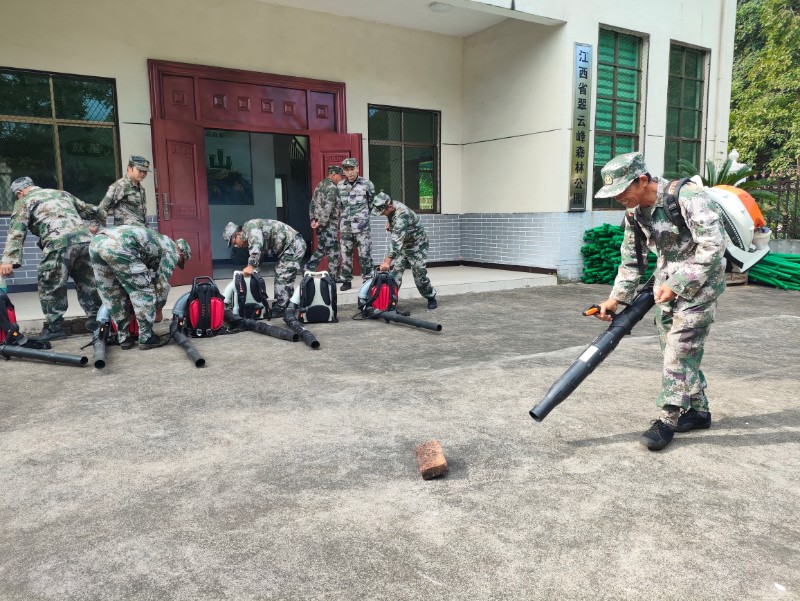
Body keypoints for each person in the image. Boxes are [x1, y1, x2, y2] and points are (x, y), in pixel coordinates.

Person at [592, 152, 727, 451]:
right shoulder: (634, 213)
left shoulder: (688, 197)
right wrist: (616, 299)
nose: (618, 199)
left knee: (678, 351)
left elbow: (714, 244)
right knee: (674, 348)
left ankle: (667, 420)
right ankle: (699, 410)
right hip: (664, 288)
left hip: (700, 289)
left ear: (642, 180)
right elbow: (631, 261)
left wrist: (678, 284)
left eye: (621, 191)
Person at [0, 176, 103, 341]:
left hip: (58, 243)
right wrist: (94, 228)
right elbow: (95, 211)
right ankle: (98, 324)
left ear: (19, 192)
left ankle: (55, 328)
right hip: (85, 241)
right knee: (89, 283)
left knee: (50, 283)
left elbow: (17, 231)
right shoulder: (62, 194)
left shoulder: (24, 200)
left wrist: (8, 261)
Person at [89, 226, 191, 350]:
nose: (177, 263)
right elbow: (162, 285)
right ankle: (147, 338)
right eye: (181, 261)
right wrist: (158, 310)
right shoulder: (171, 250)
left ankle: (124, 337)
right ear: (181, 253)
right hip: (121, 246)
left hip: (97, 242)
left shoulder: (159, 240)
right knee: (144, 291)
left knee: (112, 293)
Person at [222, 219, 306, 317]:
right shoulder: (250, 233)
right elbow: (260, 254)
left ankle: (281, 309)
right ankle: (288, 305)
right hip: (291, 245)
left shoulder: (250, 227)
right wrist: (254, 270)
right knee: (286, 276)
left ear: (238, 234)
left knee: (282, 273)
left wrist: (250, 266)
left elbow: (257, 247)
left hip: (294, 244)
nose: (236, 246)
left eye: (234, 242)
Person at [372, 192, 437, 310]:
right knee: (394, 276)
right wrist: (389, 222)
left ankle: (431, 296)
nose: (382, 214)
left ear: (389, 207)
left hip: (417, 246)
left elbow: (396, 242)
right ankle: (391, 301)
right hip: (403, 246)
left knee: (419, 278)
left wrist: (387, 262)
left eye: (383, 212)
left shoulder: (402, 215)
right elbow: (392, 219)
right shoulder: (392, 206)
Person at [338, 158, 375, 291]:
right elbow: (338, 206)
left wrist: (363, 217)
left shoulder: (367, 184)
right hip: (346, 227)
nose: (350, 172)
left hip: (362, 227)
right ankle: (346, 281)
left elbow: (372, 204)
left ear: (357, 168)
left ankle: (368, 280)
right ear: (344, 171)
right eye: (347, 170)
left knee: (365, 254)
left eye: (352, 169)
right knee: (346, 254)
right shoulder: (340, 186)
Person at [306, 165, 344, 278]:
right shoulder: (332, 188)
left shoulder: (319, 185)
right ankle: (333, 276)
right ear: (333, 174)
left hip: (319, 224)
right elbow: (329, 207)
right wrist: (321, 222)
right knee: (334, 251)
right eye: (339, 176)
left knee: (322, 248)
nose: (340, 179)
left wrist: (313, 219)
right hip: (328, 225)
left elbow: (312, 204)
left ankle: (308, 268)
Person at [97, 155, 151, 227]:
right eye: (140, 170)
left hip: (140, 230)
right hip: (125, 231)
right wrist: (96, 225)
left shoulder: (141, 189)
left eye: (145, 171)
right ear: (129, 168)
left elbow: (143, 212)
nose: (143, 174)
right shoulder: (120, 186)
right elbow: (103, 207)